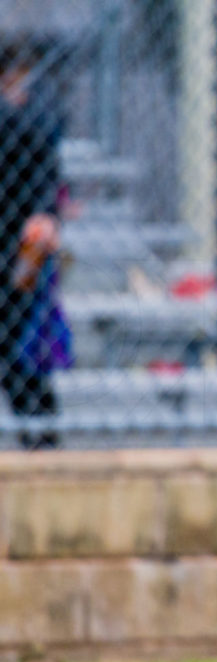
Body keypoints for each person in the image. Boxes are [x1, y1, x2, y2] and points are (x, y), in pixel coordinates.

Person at [0, 38, 66, 449]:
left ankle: (42, 434)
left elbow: (45, 148)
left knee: (18, 347)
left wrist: (48, 215)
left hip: (19, 245)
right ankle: (39, 429)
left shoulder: (37, 114)